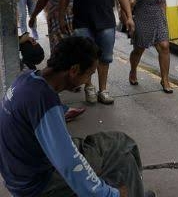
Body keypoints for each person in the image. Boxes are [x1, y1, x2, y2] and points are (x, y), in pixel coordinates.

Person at [0, 37, 155, 197]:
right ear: (74, 70)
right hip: (38, 183)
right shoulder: (44, 99)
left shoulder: (27, 78)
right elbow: (69, 164)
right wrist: (111, 195)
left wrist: (61, 111)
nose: (88, 80)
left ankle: (133, 191)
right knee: (122, 150)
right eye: (89, 74)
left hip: (18, 172)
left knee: (115, 143)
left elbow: (27, 115)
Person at [59, 0, 134, 105]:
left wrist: (128, 16)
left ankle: (103, 90)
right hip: (82, 23)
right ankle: (89, 87)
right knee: (87, 57)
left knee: (105, 57)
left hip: (106, 23)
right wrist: (61, 16)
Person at [128, 0, 172, 93]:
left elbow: (163, 1)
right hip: (142, 19)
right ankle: (133, 70)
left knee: (165, 47)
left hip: (159, 19)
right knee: (139, 49)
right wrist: (128, 16)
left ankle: (165, 79)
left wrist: (164, 18)